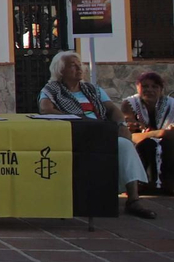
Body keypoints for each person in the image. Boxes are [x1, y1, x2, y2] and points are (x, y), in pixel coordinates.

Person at [38, 51, 155, 219]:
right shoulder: (52, 89)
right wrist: (77, 120)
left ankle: (133, 199)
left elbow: (112, 109)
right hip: (74, 133)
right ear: (60, 70)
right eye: (73, 65)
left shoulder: (91, 89)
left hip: (100, 131)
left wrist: (121, 125)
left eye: (80, 64)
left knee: (125, 144)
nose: (79, 68)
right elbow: (45, 109)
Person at [123, 71, 174, 195]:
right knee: (145, 144)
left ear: (161, 89)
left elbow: (171, 135)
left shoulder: (171, 105)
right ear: (138, 88)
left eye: (154, 86)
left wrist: (154, 134)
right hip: (140, 143)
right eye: (145, 86)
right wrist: (159, 133)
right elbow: (131, 134)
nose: (149, 90)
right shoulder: (129, 104)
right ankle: (142, 185)